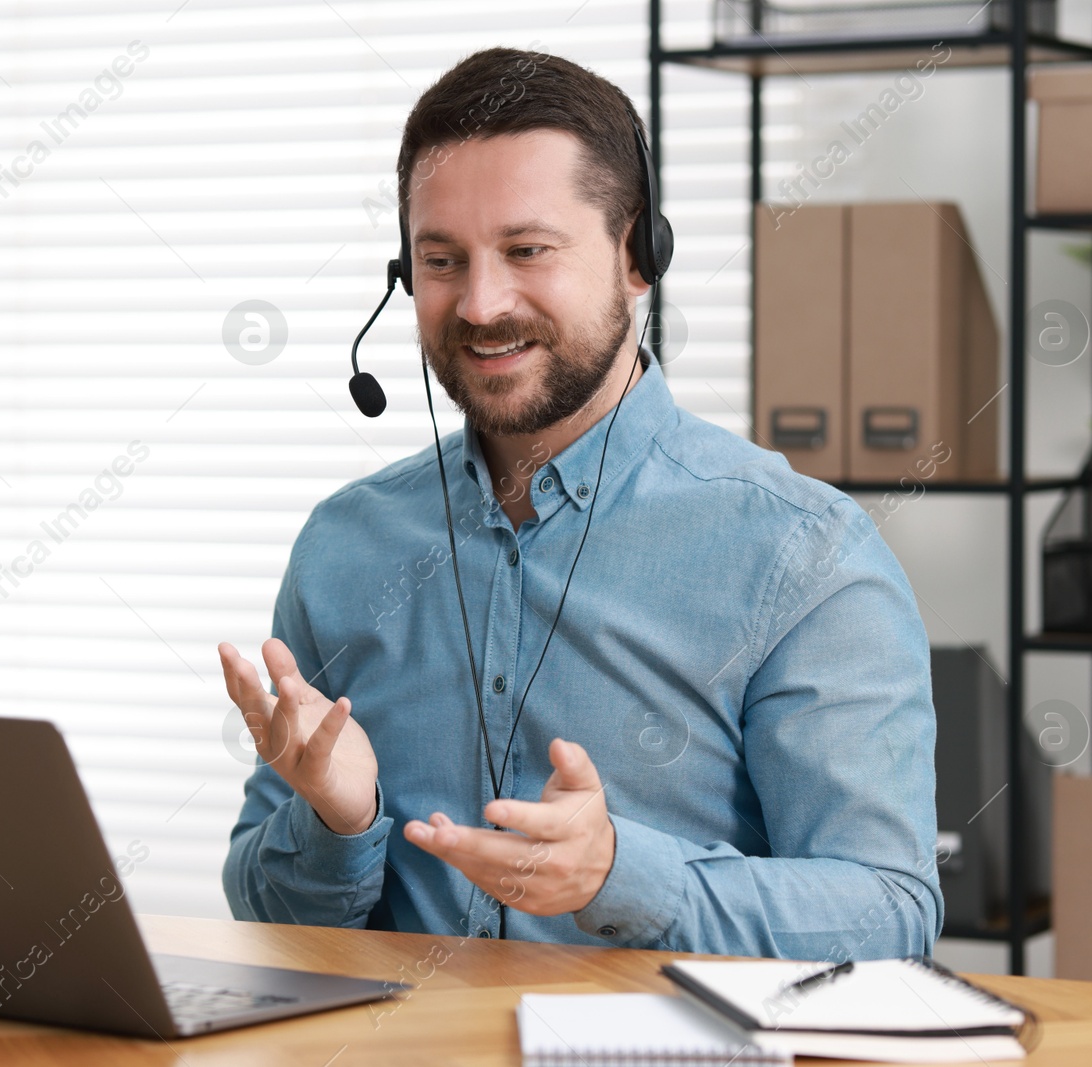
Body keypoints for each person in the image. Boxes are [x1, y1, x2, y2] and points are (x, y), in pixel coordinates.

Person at [218, 46, 941, 960]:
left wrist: (620, 874)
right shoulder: (344, 545)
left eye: (527, 250)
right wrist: (338, 817)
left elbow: (888, 912)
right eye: (442, 260)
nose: (481, 304)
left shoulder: (807, 555)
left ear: (639, 258)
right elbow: (266, 914)